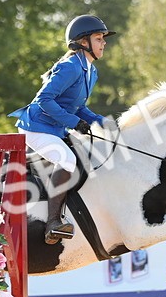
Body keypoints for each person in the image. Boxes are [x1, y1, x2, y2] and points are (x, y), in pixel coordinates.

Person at [9, 14, 115, 244]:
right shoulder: (70, 67)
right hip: (36, 127)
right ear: (83, 42)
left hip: (54, 127)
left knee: (86, 156)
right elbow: (43, 100)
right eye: (99, 38)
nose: (104, 43)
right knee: (67, 160)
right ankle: (53, 222)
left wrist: (101, 121)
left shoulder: (90, 71)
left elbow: (78, 107)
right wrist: (74, 123)